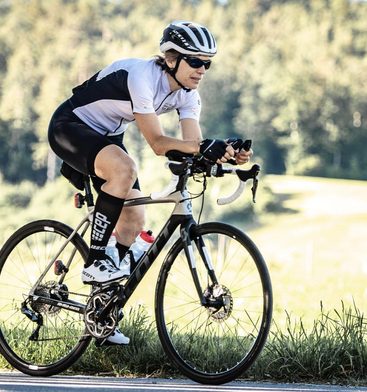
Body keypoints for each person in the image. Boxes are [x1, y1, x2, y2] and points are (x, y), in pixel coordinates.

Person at [48, 21, 252, 345]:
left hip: (108, 136)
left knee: (135, 218)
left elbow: (192, 146)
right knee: (125, 169)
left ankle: (103, 308)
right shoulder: (142, 77)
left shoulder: (188, 95)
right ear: (171, 58)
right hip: (70, 126)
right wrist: (203, 147)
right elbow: (158, 143)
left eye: (207, 63)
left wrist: (225, 151)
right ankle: (95, 260)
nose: (202, 69)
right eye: (195, 61)